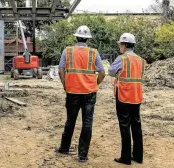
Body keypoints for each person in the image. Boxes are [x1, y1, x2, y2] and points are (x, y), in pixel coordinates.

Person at [56, 25, 106, 162]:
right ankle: (82, 155)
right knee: (87, 123)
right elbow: (102, 73)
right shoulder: (94, 53)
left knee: (70, 121)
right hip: (89, 93)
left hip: (72, 91)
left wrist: (65, 85)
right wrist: (94, 84)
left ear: (76, 37)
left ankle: (64, 148)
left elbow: (60, 71)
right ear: (87, 39)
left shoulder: (68, 51)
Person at [108, 33, 146, 165]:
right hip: (137, 96)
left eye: (120, 44)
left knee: (125, 126)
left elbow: (111, 72)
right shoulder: (141, 60)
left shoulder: (122, 59)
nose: (119, 47)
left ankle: (125, 158)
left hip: (124, 96)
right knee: (137, 126)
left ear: (124, 45)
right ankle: (138, 156)